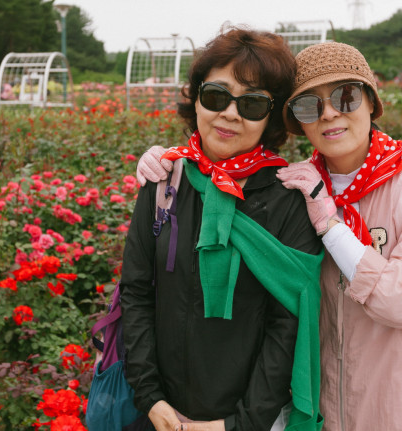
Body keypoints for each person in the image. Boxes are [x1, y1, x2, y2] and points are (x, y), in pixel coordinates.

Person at [137, 42, 402, 430]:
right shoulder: (295, 186)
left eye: (346, 96)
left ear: (371, 102)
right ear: (297, 121)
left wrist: (330, 226)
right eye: (309, 105)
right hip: (323, 406)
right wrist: (167, 161)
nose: (329, 113)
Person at [122, 27, 324, 431]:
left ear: (270, 116)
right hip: (161, 415)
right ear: (196, 98)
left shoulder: (288, 200)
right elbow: (137, 293)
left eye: (252, 103)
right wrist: (150, 397)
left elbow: (287, 325)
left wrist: (237, 425)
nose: (230, 113)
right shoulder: (164, 182)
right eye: (217, 96)